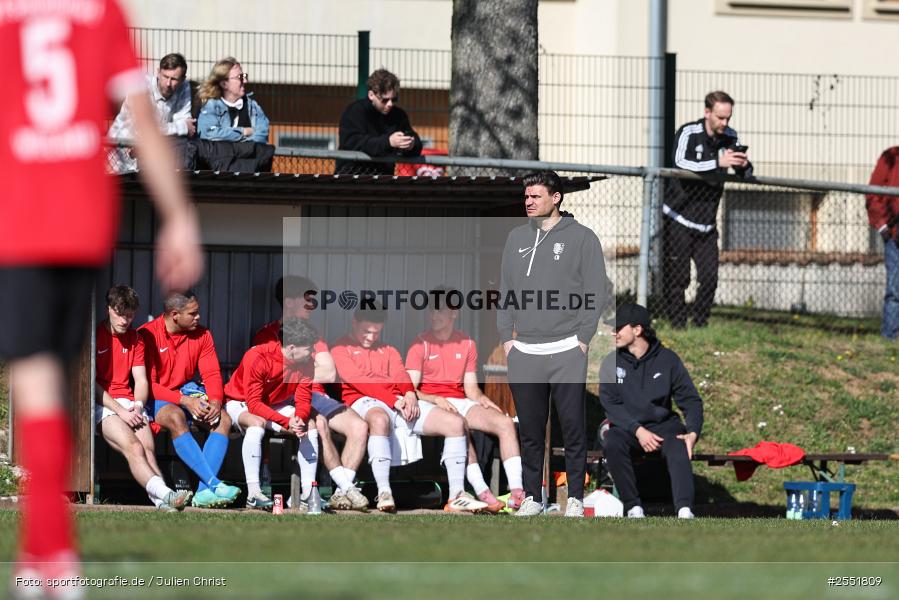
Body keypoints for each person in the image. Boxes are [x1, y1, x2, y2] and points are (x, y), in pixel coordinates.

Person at [2, 1, 202, 595]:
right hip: (82, 212)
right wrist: (177, 216)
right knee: (58, 382)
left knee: (36, 384)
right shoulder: (101, 12)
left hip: (23, 212)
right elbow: (144, 121)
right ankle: (53, 561)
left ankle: (47, 557)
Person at [497, 170, 612, 518]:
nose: (528, 202)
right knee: (530, 429)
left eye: (535, 196)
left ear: (556, 197)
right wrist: (507, 339)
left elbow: (596, 291)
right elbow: (505, 293)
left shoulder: (582, 238)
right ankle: (534, 496)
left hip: (566, 349)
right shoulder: (516, 237)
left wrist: (583, 338)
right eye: (526, 197)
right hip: (525, 351)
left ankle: (574, 498)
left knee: (573, 426)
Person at [331, 306, 488, 513]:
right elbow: (360, 382)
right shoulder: (339, 348)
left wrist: (410, 395)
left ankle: (457, 495)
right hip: (362, 400)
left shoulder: (388, 349)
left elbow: (401, 375)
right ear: (354, 323)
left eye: (376, 332)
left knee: (456, 422)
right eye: (366, 332)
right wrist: (392, 399)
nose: (371, 337)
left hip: (398, 400)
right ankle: (384, 492)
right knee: (379, 420)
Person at [252, 276, 370, 511]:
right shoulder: (266, 334)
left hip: (314, 391)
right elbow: (272, 378)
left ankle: (340, 494)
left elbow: (328, 372)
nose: (312, 307)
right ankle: (337, 489)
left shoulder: (313, 332)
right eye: (307, 301)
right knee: (320, 424)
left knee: (360, 427)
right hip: (286, 397)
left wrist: (296, 369)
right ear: (288, 302)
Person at [405, 291, 524, 513]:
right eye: (431, 310)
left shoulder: (467, 343)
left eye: (439, 310)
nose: (433, 315)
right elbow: (409, 389)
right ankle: (483, 492)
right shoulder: (419, 343)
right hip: (430, 403)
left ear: (454, 313)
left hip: (460, 401)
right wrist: (437, 399)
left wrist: (483, 399)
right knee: (458, 424)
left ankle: (518, 495)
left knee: (505, 423)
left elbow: (470, 388)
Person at [225, 318, 350, 510]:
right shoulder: (258, 356)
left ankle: (308, 493)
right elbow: (254, 404)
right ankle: (254, 493)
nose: (313, 353)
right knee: (256, 425)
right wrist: (286, 422)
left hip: (276, 404)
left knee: (308, 425)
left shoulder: (306, 362)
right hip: (240, 402)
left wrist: (299, 417)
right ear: (291, 347)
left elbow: (303, 398)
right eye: (309, 348)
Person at [599, 303, 703, 519]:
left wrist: (693, 433)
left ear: (637, 330)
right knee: (612, 442)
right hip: (630, 429)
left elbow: (691, 400)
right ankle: (634, 508)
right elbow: (610, 404)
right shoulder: (610, 362)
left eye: (618, 328)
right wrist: (637, 430)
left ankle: (685, 510)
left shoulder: (668, 360)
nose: (613, 332)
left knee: (678, 442)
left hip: (663, 427)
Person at [139, 292, 241, 509]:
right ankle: (214, 483)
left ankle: (203, 493)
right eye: (192, 313)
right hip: (154, 396)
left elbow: (212, 374)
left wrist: (214, 400)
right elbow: (148, 385)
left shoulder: (202, 334)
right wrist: (183, 400)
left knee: (222, 419)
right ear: (175, 315)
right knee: (176, 417)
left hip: (186, 392)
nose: (198, 317)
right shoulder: (146, 335)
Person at [96, 285, 193, 512]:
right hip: (102, 403)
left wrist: (138, 406)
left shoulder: (136, 338)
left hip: (130, 403)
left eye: (129, 316)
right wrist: (120, 410)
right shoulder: (96, 336)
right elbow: (92, 384)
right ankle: (168, 494)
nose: (124, 321)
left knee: (148, 448)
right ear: (109, 309)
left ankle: (163, 503)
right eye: (120, 314)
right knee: (135, 448)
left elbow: (141, 380)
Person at [664, 90, 753, 329]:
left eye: (728, 118)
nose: (725, 123)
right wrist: (717, 164)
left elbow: (744, 169)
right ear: (707, 112)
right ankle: (678, 325)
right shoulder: (689, 132)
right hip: (679, 218)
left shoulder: (730, 136)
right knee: (679, 278)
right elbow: (680, 163)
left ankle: (700, 323)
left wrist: (744, 166)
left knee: (710, 278)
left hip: (707, 224)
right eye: (720, 118)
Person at [107, 52, 195, 172]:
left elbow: (184, 122)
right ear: (158, 72)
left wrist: (179, 127)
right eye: (165, 76)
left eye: (174, 79)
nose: (168, 83)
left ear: (182, 79)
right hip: (120, 151)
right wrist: (182, 127)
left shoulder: (184, 87)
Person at [335, 69, 422, 175]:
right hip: (351, 177)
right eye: (385, 100)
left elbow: (415, 141)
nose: (390, 104)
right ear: (371, 95)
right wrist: (388, 142)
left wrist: (410, 144)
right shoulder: (355, 112)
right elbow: (355, 143)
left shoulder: (398, 115)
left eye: (393, 99)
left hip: (383, 179)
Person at [865, 147, 899, 340]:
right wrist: (883, 225)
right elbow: (873, 194)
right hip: (895, 235)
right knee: (895, 290)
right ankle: (891, 336)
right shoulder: (891, 157)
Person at [197, 57, 269, 143]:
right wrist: (244, 131)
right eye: (240, 77)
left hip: (246, 156)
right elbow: (209, 134)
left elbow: (263, 134)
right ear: (224, 84)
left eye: (244, 76)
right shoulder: (211, 106)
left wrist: (237, 144)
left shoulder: (253, 106)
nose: (245, 81)